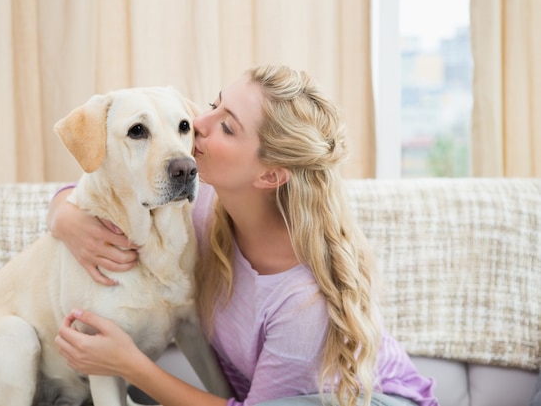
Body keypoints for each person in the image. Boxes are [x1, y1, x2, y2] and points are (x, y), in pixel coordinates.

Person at [49, 64, 437, 406]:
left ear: (269, 174)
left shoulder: (302, 304)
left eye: (227, 126)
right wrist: (63, 216)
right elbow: (107, 178)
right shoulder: (197, 202)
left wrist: (129, 366)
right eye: (214, 103)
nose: (198, 120)